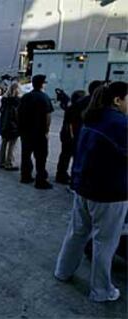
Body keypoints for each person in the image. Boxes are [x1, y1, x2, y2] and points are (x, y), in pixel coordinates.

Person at [54, 82, 128, 302]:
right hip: (109, 193)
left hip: (83, 188)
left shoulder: (91, 117)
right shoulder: (120, 124)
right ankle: (101, 290)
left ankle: (63, 271)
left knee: (76, 233)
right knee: (105, 242)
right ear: (117, 100)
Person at [18, 74, 54, 189]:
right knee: (41, 157)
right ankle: (41, 180)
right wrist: (46, 131)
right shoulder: (44, 98)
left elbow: (17, 112)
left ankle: (25, 176)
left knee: (26, 155)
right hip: (39, 133)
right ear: (42, 84)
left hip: (26, 132)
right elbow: (48, 116)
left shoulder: (25, 97)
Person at [55, 90, 86, 184]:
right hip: (71, 136)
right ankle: (64, 175)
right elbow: (72, 124)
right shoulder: (76, 109)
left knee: (64, 155)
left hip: (66, 135)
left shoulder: (71, 108)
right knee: (70, 156)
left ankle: (61, 174)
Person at [0, 83, 20, 170]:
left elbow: (1, 110)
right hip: (13, 125)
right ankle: (9, 163)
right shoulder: (16, 101)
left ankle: (1, 161)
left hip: (4, 124)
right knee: (12, 145)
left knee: (4, 143)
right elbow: (17, 114)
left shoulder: (4, 100)